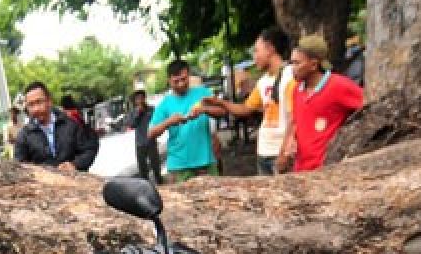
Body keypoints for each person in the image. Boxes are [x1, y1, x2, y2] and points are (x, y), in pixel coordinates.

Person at [202, 27, 294, 175]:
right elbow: (246, 109)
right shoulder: (263, 81)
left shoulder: (291, 76)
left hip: (282, 153)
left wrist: (285, 152)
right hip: (264, 151)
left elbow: (294, 119)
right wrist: (220, 103)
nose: (254, 56)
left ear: (270, 49)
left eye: (256, 51)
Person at [277, 35, 363, 173]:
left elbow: (368, 106)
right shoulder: (296, 90)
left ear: (313, 65)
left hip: (327, 170)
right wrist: (283, 151)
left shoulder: (338, 85)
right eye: (291, 63)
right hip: (301, 169)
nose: (292, 68)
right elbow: (295, 121)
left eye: (297, 63)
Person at [147, 59, 218, 182]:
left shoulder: (203, 93)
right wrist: (169, 121)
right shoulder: (164, 104)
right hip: (179, 166)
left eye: (184, 79)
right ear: (169, 81)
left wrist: (204, 109)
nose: (180, 84)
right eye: (176, 81)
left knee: (215, 199)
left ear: (189, 75)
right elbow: (150, 133)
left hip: (206, 161)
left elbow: (223, 111)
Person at [13, 81, 98, 172]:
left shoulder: (71, 123)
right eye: (31, 105)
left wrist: (75, 164)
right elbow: (19, 166)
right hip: (45, 185)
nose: (36, 109)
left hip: (78, 182)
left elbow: (89, 148)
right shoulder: (24, 136)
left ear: (49, 101)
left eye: (39, 102)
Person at [125, 90, 161, 184]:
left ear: (145, 98)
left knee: (156, 165)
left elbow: (157, 122)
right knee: (142, 168)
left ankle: (160, 182)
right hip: (140, 143)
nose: (140, 100)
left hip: (151, 141)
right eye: (138, 98)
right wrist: (138, 113)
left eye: (142, 98)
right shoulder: (132, 112)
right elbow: (131, 125)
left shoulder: (151, 109)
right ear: (135, 100)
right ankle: (145, 186)